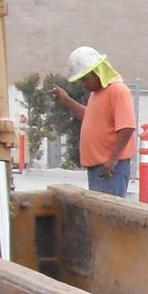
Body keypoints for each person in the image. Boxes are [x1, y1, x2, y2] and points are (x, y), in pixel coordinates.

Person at [52, 45, 137, 195]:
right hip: (99, 168)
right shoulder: (97, 94)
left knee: (108, 215)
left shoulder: (117, 90)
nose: (83, 84)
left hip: (110, 169)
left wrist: (113, 159)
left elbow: (127, 127)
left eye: (85, 78)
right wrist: (66, 100)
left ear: (98, 71)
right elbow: (90, 118)